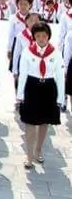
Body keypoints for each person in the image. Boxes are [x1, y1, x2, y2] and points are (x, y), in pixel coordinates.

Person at [17, 22, 64, 169]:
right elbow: (23, 74)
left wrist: (60, 98)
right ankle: (29, 155)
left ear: (48, 36)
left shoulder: (55, 53)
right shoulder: (27, 52)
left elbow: (59, 76)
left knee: (44, 122)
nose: (41, 38)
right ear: (34, 37)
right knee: (30, 123)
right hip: (32, 87)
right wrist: (20, 96)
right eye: (38, 36)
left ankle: (38, 149)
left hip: (49, 88)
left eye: (44, 35)